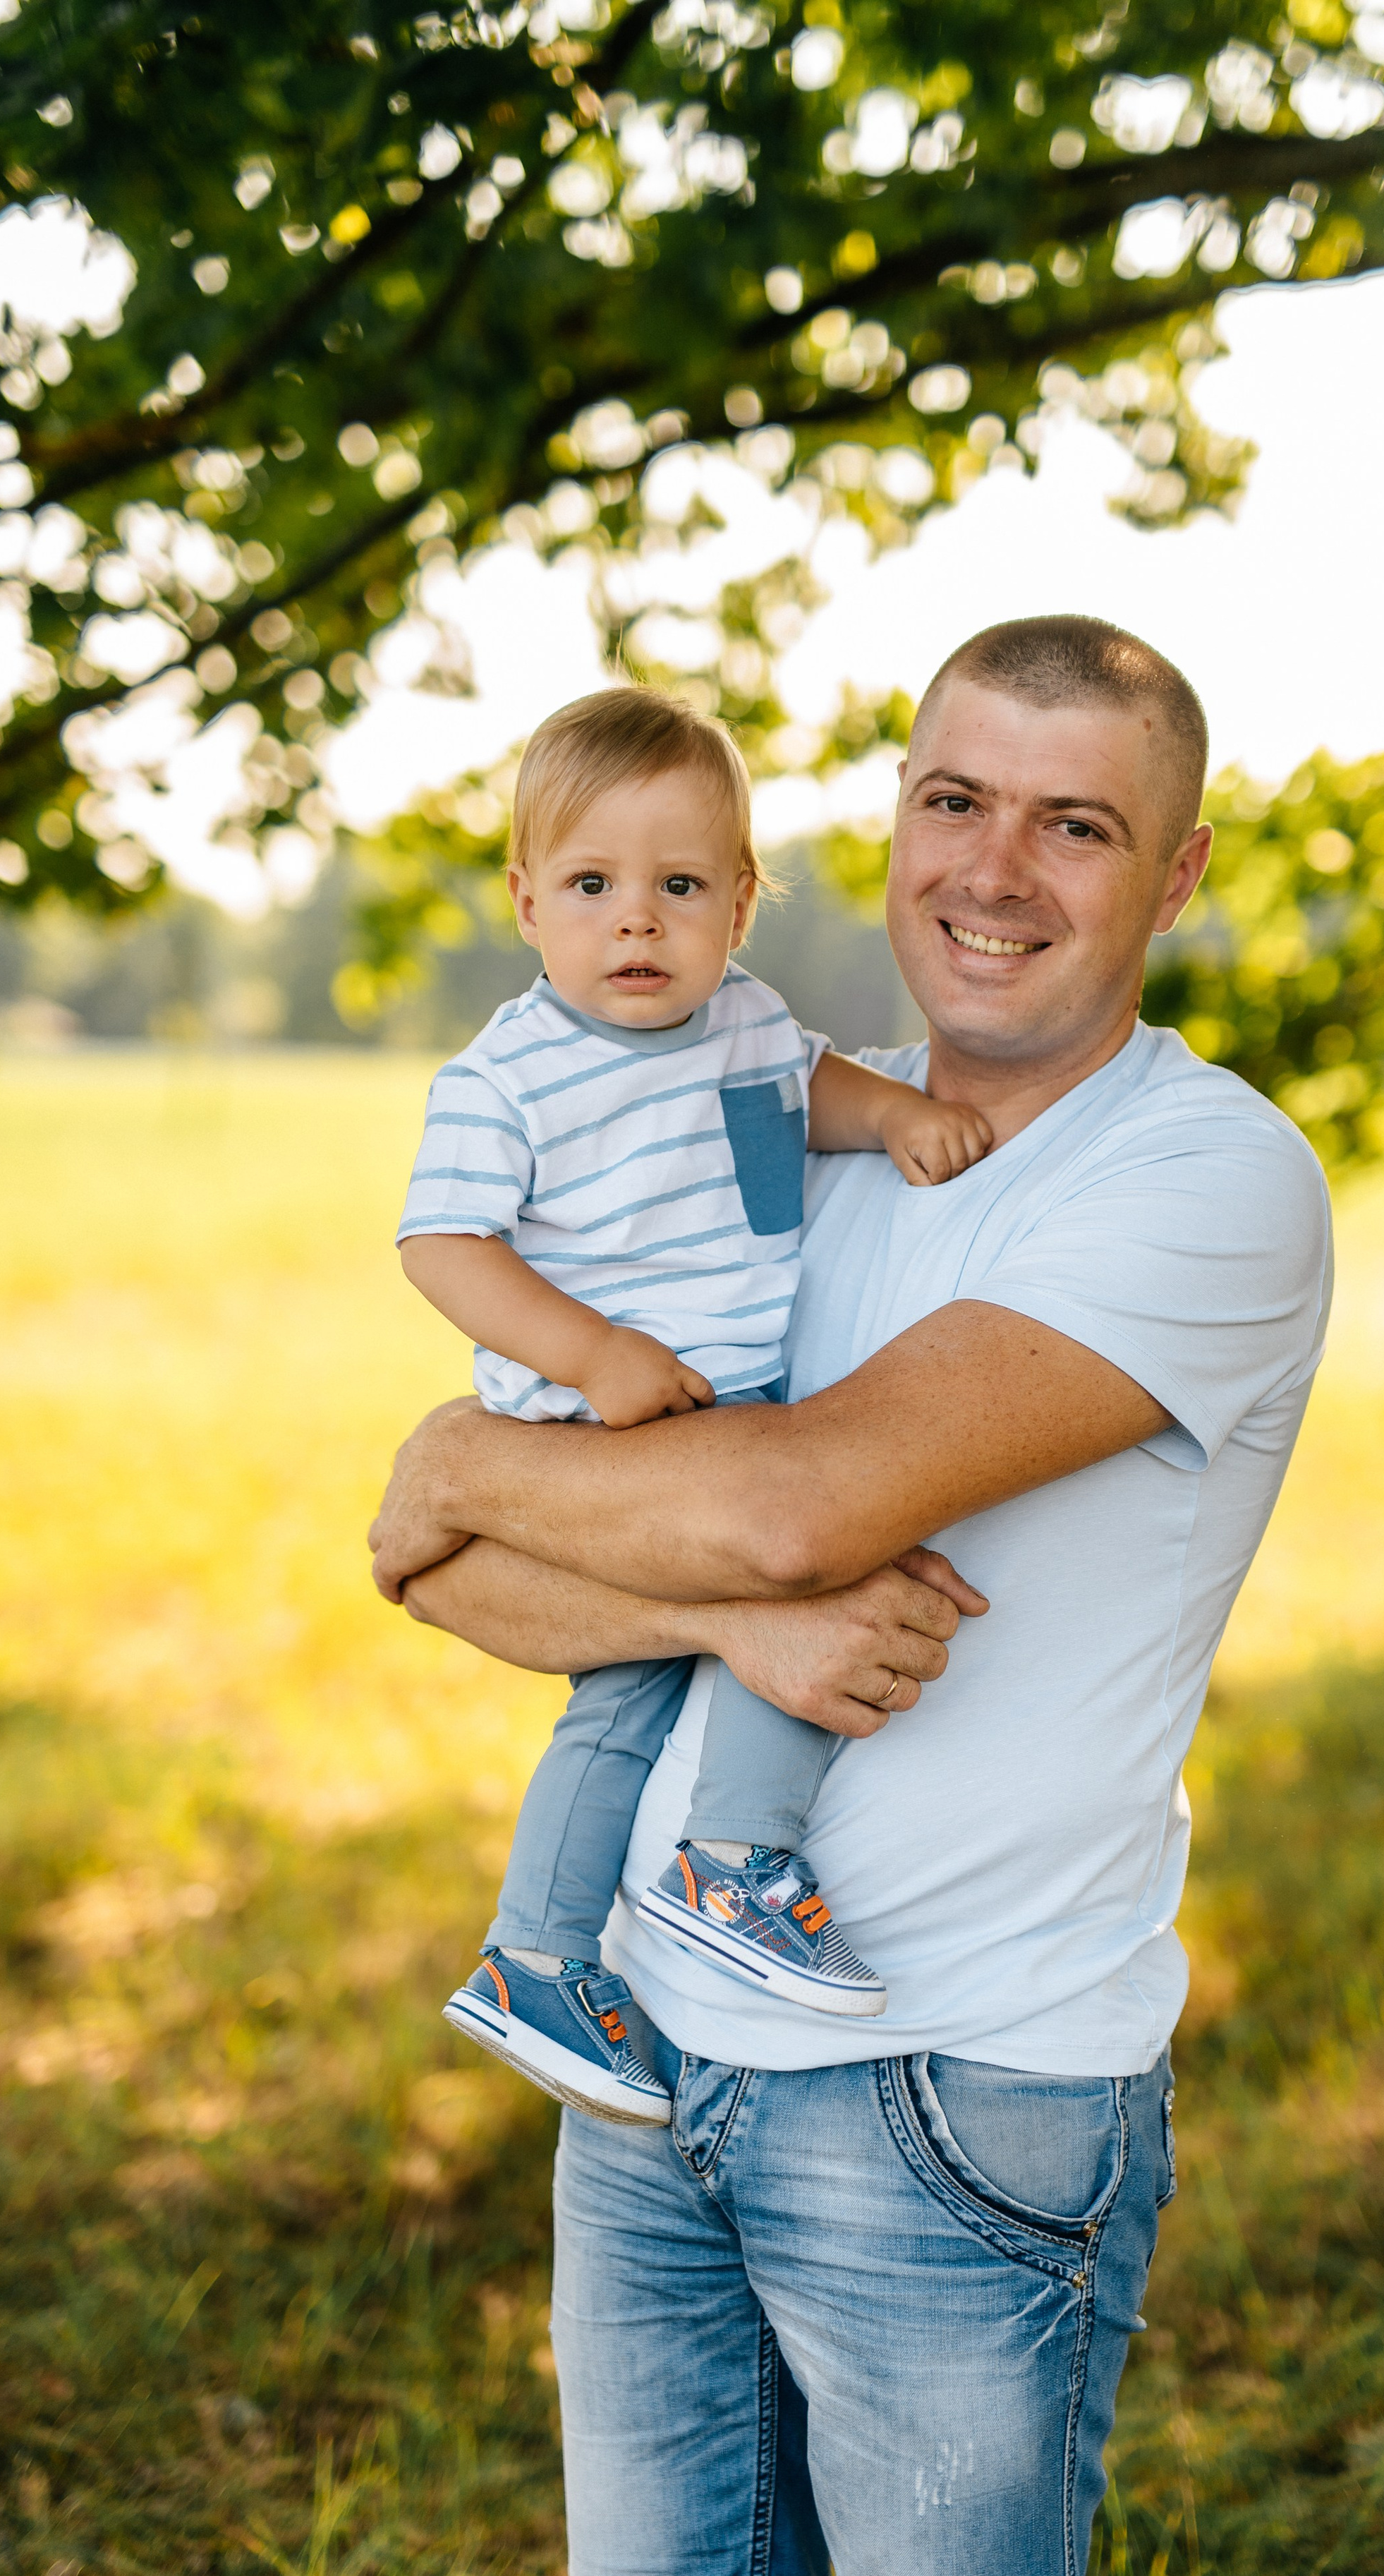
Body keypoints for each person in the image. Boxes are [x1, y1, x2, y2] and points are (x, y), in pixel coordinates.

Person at [370, 615, 1333, 2576]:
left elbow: (792, 1505)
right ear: (892, 822)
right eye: (955, 801)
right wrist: (688, 1589)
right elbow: (443, 1573)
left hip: (953, 2079)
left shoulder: (1208, 1175)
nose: (996, 870)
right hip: (638, 2051)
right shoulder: (779, 1133)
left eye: (1076, 826)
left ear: (1171, 879)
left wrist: (488, 1460)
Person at [397, 687, 993, 2126]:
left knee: (663, 1668)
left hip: (736, 1409)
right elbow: (444, 1245)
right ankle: (709, 1875)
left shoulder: (744, 1028)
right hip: (601, 1428)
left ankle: (556, 1941)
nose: (636, 923)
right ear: (528, 900)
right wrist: (592, 1351)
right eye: (594, 887)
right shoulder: (508, 1075)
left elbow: (805, 1096)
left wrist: (900, 1118)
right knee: (689, 1657)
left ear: (739, 904)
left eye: (678, 888)